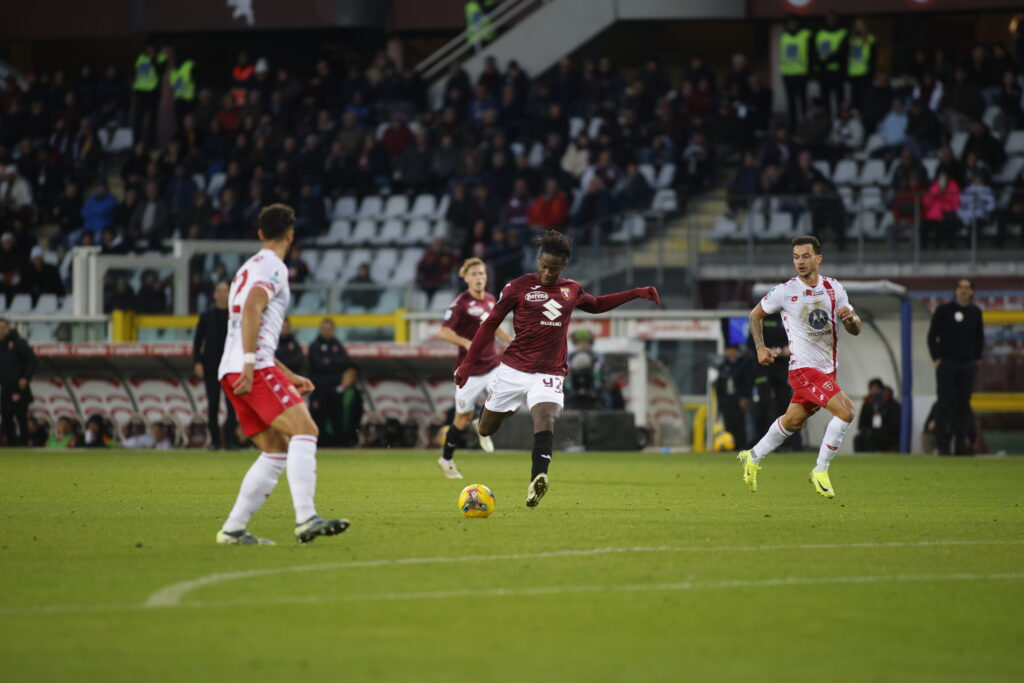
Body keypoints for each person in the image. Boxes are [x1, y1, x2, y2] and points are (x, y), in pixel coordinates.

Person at [454, 230, 660, 508]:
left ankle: (538, 478)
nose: (548, 272)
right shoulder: (516, 287)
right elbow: (489, 324)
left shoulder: (571, 289)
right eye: (544, 266)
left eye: (554, 268)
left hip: (549, 371)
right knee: (486, 429)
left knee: (546, 417)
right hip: (513, 370)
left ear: (564, 267)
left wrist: (635, 293)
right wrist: (467, 365)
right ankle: (512, 405)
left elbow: (597, 305)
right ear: (537, 261)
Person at [216, 204, 349, 546]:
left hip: (232, 369)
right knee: (306, 429)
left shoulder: (245, 269)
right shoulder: (274, 267)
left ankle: (232, 529)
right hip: (250, 368)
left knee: (276, 450)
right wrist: (251, 364)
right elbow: (252, 310)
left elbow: (250, 326)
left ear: (260, 233)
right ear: (291, 235)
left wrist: (286, 373)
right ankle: (306, 518)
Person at [738, 235, 862, 499]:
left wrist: (850, 318)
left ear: (818, 258)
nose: (800, 262)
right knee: (847, 411)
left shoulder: (834, 288)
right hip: (803, 369)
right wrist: (760, 346)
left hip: (827, 369)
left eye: (806, 256)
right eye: (796, 257)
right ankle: (820, 470)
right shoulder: (785, 291)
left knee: (792, 421)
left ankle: (753, 456)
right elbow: (755, 315)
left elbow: (855, 328)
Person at [437, 257, 514, 479]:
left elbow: (494, 326)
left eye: (482, 274)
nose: (479, 278)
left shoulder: (491, 300)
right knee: (460, 420)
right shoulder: (460, 303)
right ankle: (446, 460)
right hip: (468, 371)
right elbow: (443, 331)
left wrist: (511, 341)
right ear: (466, 278)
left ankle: (481, 424)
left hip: (491, 366)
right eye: (474, 274)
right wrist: (466, 343)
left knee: (509, 399)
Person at [927, 278, 984, 456]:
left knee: (963, 405)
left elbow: (979, 337)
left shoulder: (975, 312)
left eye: (967, 288)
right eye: (960, 287)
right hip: (947, 363)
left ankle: (961, 444)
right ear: (955, 290)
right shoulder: (944, 310)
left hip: (967, 364)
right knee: (944, 403)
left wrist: (976, 359)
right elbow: (932, 336)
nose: (963, 291)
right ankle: (943, 445)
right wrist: (937, 358)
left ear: (972, 291)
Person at [193, 281, 239, 450]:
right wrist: (197, 361)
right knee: (213, 405)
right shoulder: (206, 316)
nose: (222, 294)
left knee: (232, 406)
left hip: (231, 366)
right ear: (214, 294)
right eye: (219, 291)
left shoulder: (236, 316)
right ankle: (214, 442)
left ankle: (231, 441)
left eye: (225, 290)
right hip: (211, 367)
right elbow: (197, 342)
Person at [307, 318, 360, 448]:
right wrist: (334, 362)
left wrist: (328, 361)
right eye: (324, 329)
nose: (327, 332)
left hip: (335, 390)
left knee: (337, 419)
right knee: (318, 419)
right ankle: (317, 445)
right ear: (320, 330)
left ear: (333, 330)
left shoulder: (338, 345)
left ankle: (339, 445)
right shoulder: (314, 346)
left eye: (329, 329)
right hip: (319, 390)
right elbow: (318, 364)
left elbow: (346, 362)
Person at [0, 318, 38, 446]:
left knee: (21, 418)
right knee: (6, 418)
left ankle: (23, 444)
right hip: (5, 388)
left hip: (18, 387)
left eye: (2, 328)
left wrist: (25, 378)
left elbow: (32, 361)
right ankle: (11, 445)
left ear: (8, 329)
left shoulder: (17, 343)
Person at [715, 345, 753, 450]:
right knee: (729, 424)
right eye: (727, 350)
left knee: (740, 424)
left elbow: (746, 382)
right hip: (727, 400)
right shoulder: (723, 366)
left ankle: (741, 447)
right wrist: (721, 402)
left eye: (731, 350)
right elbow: (719, 386)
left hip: (739, 399)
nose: (729, 352)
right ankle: (730, 446)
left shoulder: (742, 364)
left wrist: (745, 397)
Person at [779, 14, 813, 130]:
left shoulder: (805, 35)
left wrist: (810, 71)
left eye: (794, 23)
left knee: (803, 102)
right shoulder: (784, 36)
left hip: (801, 74)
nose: (792, 25)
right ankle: (793, 126)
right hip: (788, 74)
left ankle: (805, 125)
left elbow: (810, 53)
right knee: (791, 103)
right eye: (790, 23)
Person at [565, 328, 611, 410]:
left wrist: (603, 385)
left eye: (585, 342)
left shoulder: (599, 358)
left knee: (607, 401)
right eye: (579, 342)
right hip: (571, 393)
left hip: (596, 392)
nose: (583, 345)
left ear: (590, 343)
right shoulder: (567, 358)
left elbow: (606, 377)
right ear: (575, 343)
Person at [853, 378, 901, 452]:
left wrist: (880, 431)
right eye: (872, 389)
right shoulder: (867, 404)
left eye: (876, 388)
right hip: (871, 433)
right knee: (858, 439)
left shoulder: (892, 404)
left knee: (871, 438)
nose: (874, 391)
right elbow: (861, 424)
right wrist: (868, 431)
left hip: (889, 435)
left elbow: (895, 425)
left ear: (881, 389)